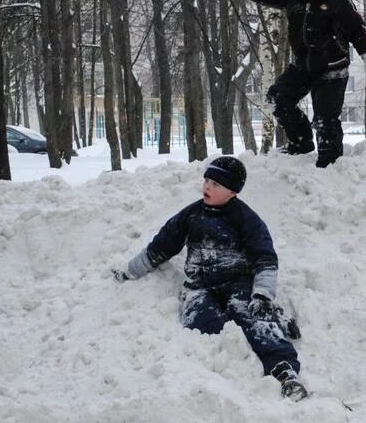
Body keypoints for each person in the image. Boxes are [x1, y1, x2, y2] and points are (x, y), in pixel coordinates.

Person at [110, 155, 307, 401]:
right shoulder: (191, 215)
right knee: (200, 324)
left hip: (238, 283)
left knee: (255, 318)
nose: (207, 187)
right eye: (206, 181)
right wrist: (131, 270)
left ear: (233, 192)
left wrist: (263, 294)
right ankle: (230, 367)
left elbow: (265, 258)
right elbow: (161, 246)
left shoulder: (246, 219)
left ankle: (283, 369)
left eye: (216, 184)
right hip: (199, 286)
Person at [205, 0, 366, 168]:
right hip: (303, 66)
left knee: (326, 120)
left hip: (331, 69)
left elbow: (357, 28)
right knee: (278, 99)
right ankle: (301, 142)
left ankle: (331, 164)